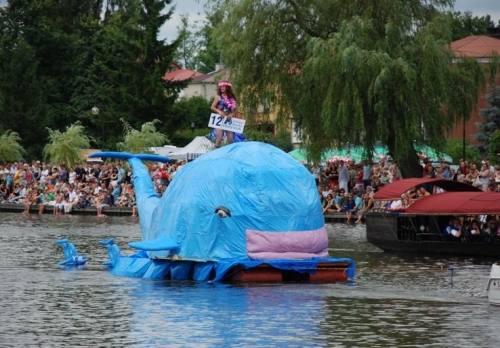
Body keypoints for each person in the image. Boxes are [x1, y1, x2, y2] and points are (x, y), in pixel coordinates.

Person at [210, 80, 238, 148]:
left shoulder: (232, 98)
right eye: (220, 87)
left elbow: (235, 109)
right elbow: (212, 107)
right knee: (219, 138)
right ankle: (216, 153)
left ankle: (231, 154)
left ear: (227, 88)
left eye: (223, 86)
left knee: (230, 139)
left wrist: (232, 114)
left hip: (228, 119)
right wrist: (219, 111)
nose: (221, 88)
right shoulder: (218, 97)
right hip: (220, 118)